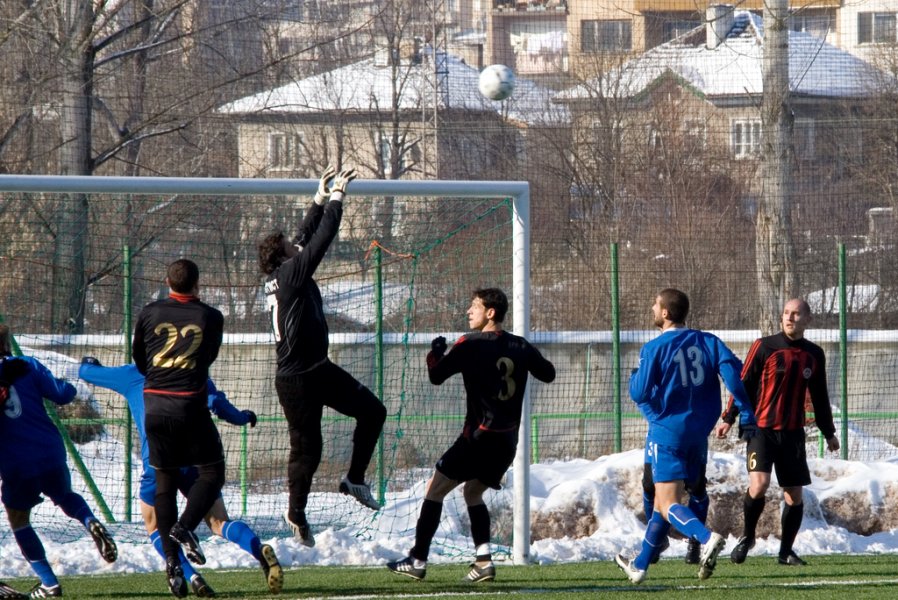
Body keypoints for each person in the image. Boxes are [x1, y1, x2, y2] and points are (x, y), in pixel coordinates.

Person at [387, 287, 556, 582]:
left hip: (477, 438)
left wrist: (435, 354)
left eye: (474, 307)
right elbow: (549, 373)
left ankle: (417, 559)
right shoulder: (520, 345)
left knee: (434, 490)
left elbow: (436, 376)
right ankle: (483, 561)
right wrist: (524, 357)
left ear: (491, 313)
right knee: (473, 492)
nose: (468, 311)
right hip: (506, 442)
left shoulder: (469, 344)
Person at [258, 166, 387, 548]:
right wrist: (337, 199)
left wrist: (317, 199)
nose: (297, 245)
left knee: (373, 411)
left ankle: (355, 479)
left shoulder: (285, 271)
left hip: (317, 368)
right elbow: (321, 239)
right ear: (285, 258)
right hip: (296, 380)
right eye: (290, 247)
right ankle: (296, 512)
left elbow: (304, 236)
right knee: (307, 449)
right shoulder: (293, 273)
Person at [78, 358, 283, 596]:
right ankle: (259, 549)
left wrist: (90, 364)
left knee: (154, 525)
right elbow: (216, 402)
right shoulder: (193, 370)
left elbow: (85, 372)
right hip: (195, 460)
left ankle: (191, 575)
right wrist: (243, 416)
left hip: (158, 460)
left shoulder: (134, 374)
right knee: (218, 522)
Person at [616, 288, 757, 584]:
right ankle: (640, 565)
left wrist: (634, 379)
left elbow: (639, 392)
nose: (652, 308)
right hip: (699, 433)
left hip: (668, 433)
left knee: (667, 504)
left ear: (666, 313)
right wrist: (745, 411)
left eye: (655, 304)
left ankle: (706, 538)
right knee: (661, 503)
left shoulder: (654, 349)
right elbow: (734, 374)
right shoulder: (708, 341)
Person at [717, 298, 840, 566]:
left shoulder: (814, 354)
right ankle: (748, 537)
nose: (789, 318)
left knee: (794, 495)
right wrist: (728, 417)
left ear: (808, 320)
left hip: (793, 434)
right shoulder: (764, 346)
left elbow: (819, 396)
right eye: (786, 313)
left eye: (796, 314)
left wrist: (828, 432)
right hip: (761, 429)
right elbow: (743, 384)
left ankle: (785, 552)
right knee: (759, 485)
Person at [0, 324, 117, 599]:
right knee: (64, 495)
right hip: (50, 450)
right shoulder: (27, 364)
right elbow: (63, 394)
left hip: (15, 462)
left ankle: (49, 583)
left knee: (19, 520)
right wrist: (71, 385)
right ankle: (89, 521)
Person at [132, 259, 226, 598]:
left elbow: (141, 360)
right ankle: (185, 528)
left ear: (167, 282)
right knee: (213, 474)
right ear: (198, 284)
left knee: (165, 483)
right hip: (189, 405)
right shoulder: (211, 317)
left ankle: (172, 564)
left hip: (154, 407)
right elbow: (208, 357)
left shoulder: (148, 312)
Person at [640, 460, 706, 564]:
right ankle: (656, 540)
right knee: (649, 485)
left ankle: (696, 541)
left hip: (693, 444)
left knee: (696, 486)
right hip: (660, 444)